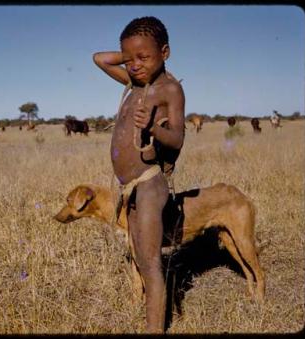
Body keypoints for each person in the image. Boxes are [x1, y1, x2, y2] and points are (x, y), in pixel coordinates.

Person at [93, 16, 185, 333]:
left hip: (149, 183)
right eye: (130, 59)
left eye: (144, 57)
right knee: (140, 257)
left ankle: (154, 330)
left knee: (149, 261)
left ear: (165, 52)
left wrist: (153, 128)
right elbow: (99, 59)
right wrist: (133, 55)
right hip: (130, 188)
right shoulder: (134, 83)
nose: (134, 65)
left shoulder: (169, 89)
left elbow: (177, 138)